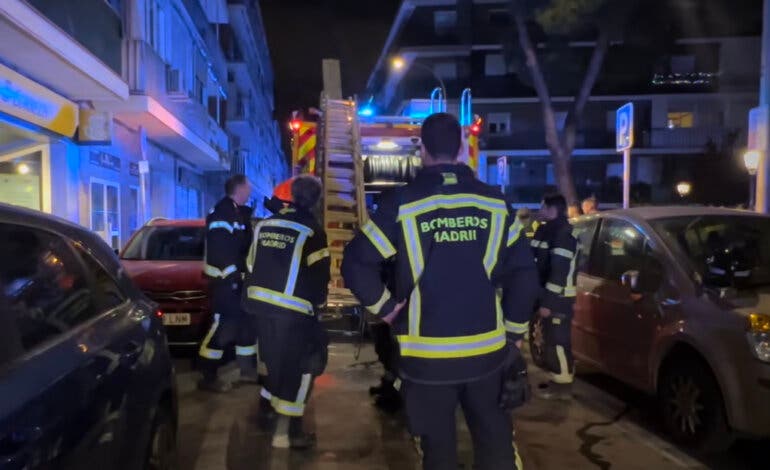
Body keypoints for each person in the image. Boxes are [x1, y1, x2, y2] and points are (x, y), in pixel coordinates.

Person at [342, 113, 538, 470]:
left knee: (438, 453)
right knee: (496, 446)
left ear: (422, 150)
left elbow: (356, 262)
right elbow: (525, 274)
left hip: (425, 359)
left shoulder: (402, 203)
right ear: (462, 149)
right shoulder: (495, 202)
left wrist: (388, 311)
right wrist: (514, 333)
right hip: (488, 354)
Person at [242, 175, 331, 449]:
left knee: (272, 361)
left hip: (257, 307)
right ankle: (291, 432)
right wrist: (315, 309)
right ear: (315, 200)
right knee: (305, 365)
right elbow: (319, 278)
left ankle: (266, 411)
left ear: (291, 195)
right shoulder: (312, 231)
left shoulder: (265, 225)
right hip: (292, 312)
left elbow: (250, 264)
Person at [198, 174, 258, 393]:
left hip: (237, 283)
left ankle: (247, 372)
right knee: (222, 328)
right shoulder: (223, 213)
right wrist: (232, 277)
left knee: (245, 328)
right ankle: (207, 375)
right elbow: (220, 251)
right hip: (226, 284)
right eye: (248, 186)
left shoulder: (235, 212)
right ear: (240, 188)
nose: (250, 190)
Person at [530, 193, 578, 400]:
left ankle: (563, 385)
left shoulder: (562, 234)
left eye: (542, 207)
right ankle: (557, 378)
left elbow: (558, 272)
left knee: (558, 341)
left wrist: (548, 301)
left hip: (559, 298)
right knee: (551, 340)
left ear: (552, 209)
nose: (539, 211)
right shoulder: (547, 231)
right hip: (549, 296)